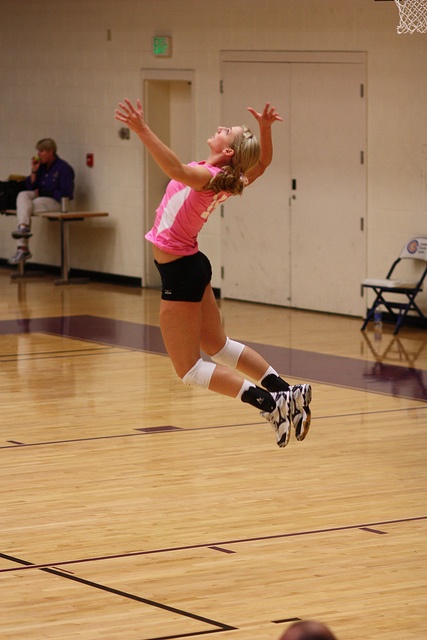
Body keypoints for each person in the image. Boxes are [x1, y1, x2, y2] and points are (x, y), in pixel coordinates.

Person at [114, 98, 312, 448]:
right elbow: (263, 164)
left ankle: (269, 403)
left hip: (180, 273)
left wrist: (142, 129)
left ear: (230, 151)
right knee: (217, 346)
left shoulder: (209, 177)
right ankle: (285, 390)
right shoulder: (226, 178)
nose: (221, 128)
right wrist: (264, 130)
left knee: (190, 370)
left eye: (227, 131)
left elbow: (175, 170)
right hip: (191, 264)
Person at [8, 138, 75, 264]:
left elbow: (67, 193)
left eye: (42, 151)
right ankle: (23, 227)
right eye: (38, 151)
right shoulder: (42, 167)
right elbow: (31, 187)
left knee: (27, 207)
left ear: (51, 152)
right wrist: (34, 170)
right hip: (39, 197)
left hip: (56, 202)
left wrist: (47, 192)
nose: (38, 154)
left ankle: (22, 248)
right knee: (22, 196)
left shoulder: (63, 168)